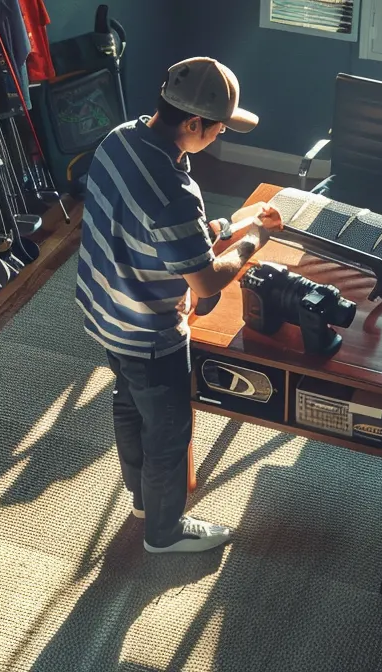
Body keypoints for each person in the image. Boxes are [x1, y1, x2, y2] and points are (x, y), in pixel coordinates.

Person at [74, 57, 282, 554]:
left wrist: (226, 227)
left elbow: (152, 234)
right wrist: (253, 239)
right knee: (169, 432)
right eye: (217, 130)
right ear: (194, 123)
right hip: (149, 332)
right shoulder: (175, 190)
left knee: (128, 401)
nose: (217, 138)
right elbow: (206, 282)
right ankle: (163, 534)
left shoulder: (119, 139)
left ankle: (142, 501)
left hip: (103, 311)